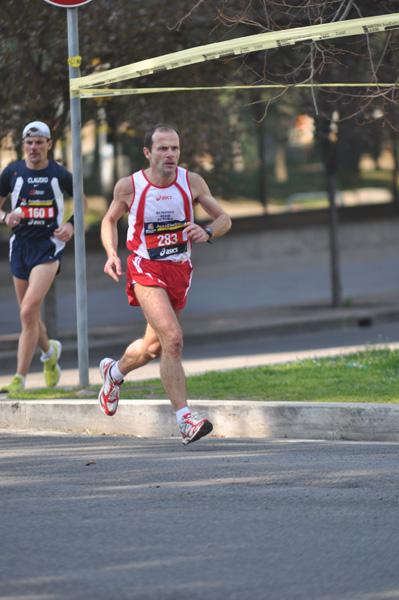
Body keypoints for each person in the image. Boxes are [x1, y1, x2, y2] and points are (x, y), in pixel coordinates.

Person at [99, 124, 232, 444]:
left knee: (154, 347)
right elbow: (108, 220)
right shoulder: (130, 186)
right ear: (148, 153)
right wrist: (111, 254)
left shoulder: (192, 182)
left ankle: (113, 373)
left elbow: (224, 219)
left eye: (174, 148)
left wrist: (208, 231)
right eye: (162, 148)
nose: (170, 154)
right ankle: (185, 419)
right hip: (145, 268)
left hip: (179, 272)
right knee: (173, 339)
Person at [0, 121, 87, 395]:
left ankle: (19, 379)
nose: (34, 147)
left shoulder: (60, 174)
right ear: (23, 145)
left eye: (40, 142)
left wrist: (71, 225)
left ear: (49, 145)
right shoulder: (12, 172)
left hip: (48, 247)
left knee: (27, 311)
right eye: (29, 142)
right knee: (30, 316)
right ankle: (50, 354)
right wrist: (5, 217)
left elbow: (82, 201)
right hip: (20, 247)